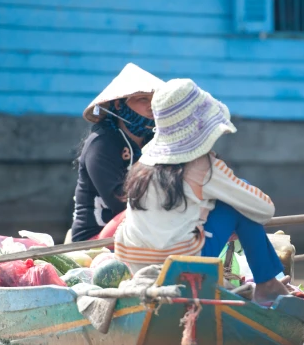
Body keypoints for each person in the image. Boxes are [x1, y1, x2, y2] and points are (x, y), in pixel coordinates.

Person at [114, 78, 290, 303]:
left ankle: (266, 281)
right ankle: (266, 283)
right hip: (181, 265)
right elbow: (265, 209)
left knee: (222, 202)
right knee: (237, 203)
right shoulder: (204, 166)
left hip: (136, 263)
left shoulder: (143, 165)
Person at [70, 63, 166, 242]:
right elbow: (121, 202)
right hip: (93, 240)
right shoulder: (101, 143)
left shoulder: (155, 143)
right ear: (119, 105)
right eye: (143, 99)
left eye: (155, 99)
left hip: (136, 232)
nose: (151, 105)